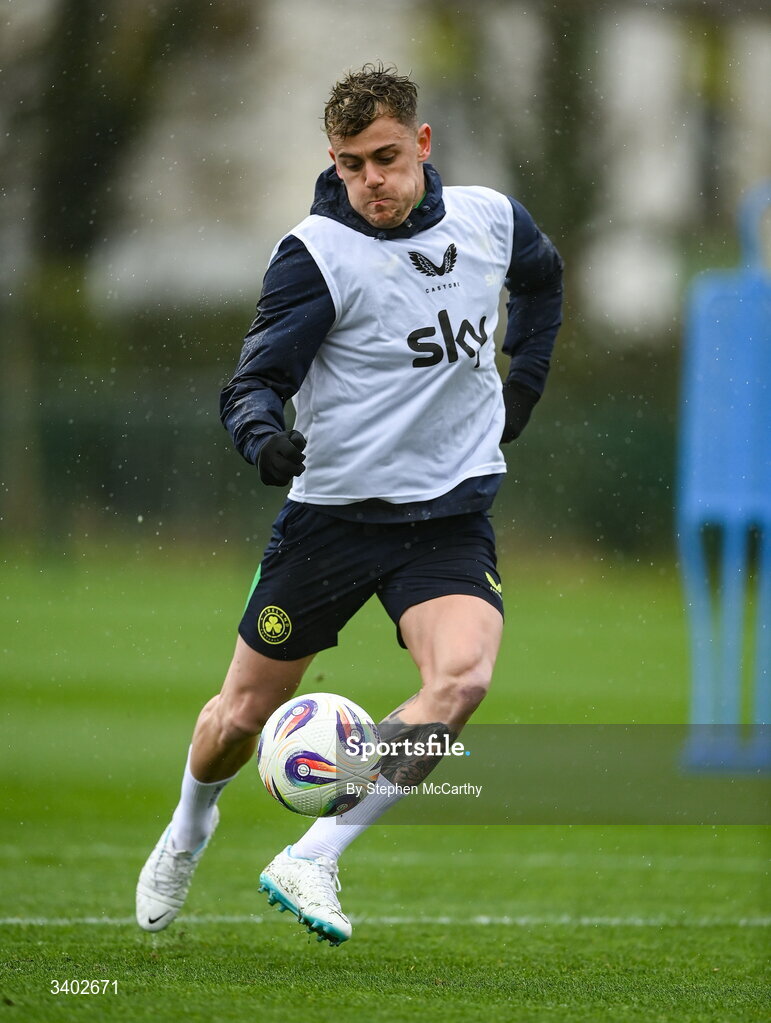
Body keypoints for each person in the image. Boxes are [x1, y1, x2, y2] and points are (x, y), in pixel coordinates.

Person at [136, 62, 563, 946]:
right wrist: (264, 438)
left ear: (422, 144)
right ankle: (189, 826)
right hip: (332, 519)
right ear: (332, 163)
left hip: (446, 519)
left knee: (461, 682)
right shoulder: (316, 255)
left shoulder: (490, 219)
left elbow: (544, 278)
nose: (369, 181)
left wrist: (524, 378)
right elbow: (252, 382)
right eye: (349, 164)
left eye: (385, 158)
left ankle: (315, 853)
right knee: (237, 720)